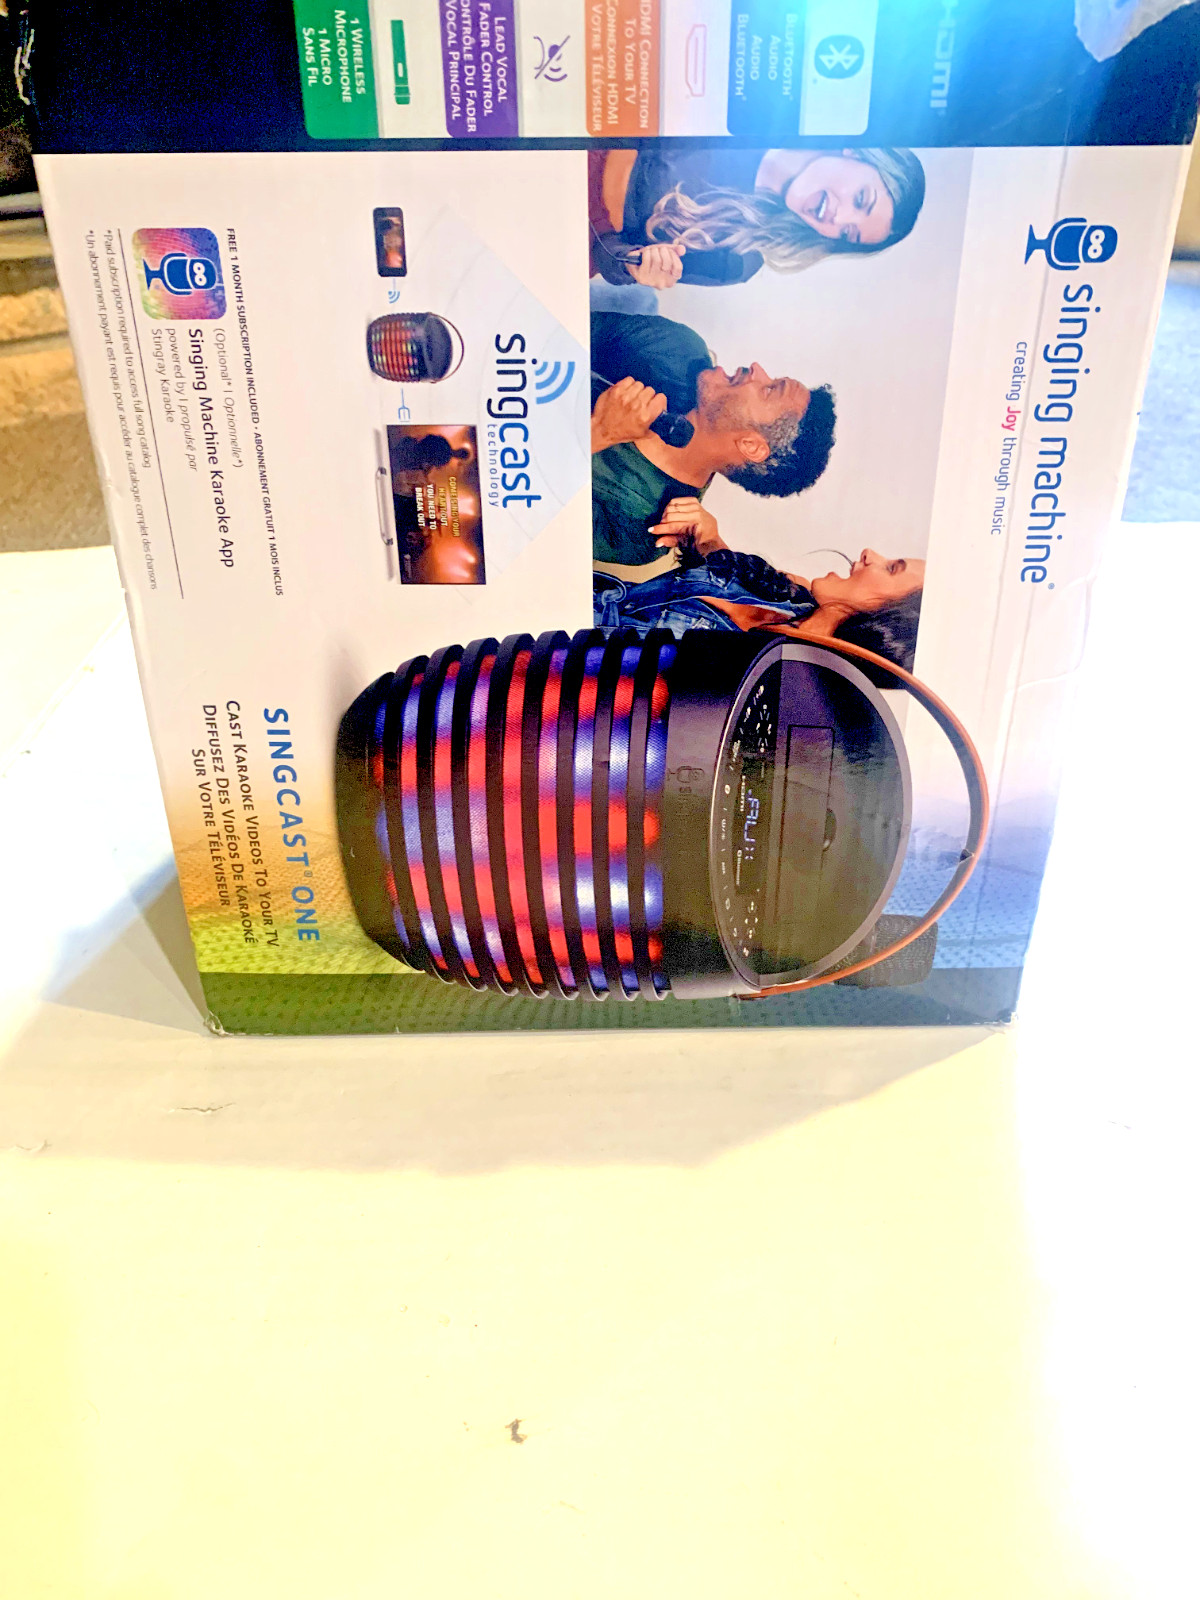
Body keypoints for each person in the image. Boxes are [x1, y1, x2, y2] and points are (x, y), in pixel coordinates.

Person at [591, 310, 836, 567]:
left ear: (751, 446)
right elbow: (567, 323)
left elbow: (556, 518)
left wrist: (599, 434)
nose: (755, 368)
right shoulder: (681, 352)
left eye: (769, 389)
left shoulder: (645, 525)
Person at [594, 506, 925, 682]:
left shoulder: (770, 682)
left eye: (892, 567)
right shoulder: (791, 595)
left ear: (890, 623)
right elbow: (722, 572)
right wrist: (704, 531)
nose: (870, 553)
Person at [589, 147, 926, 290]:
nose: (838, 219)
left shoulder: (738, 260)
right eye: (861, 199)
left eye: (847, 234)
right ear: (854, 153)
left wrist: (634, 265)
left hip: (571, 222)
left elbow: (604, 257)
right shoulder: (747, 113)